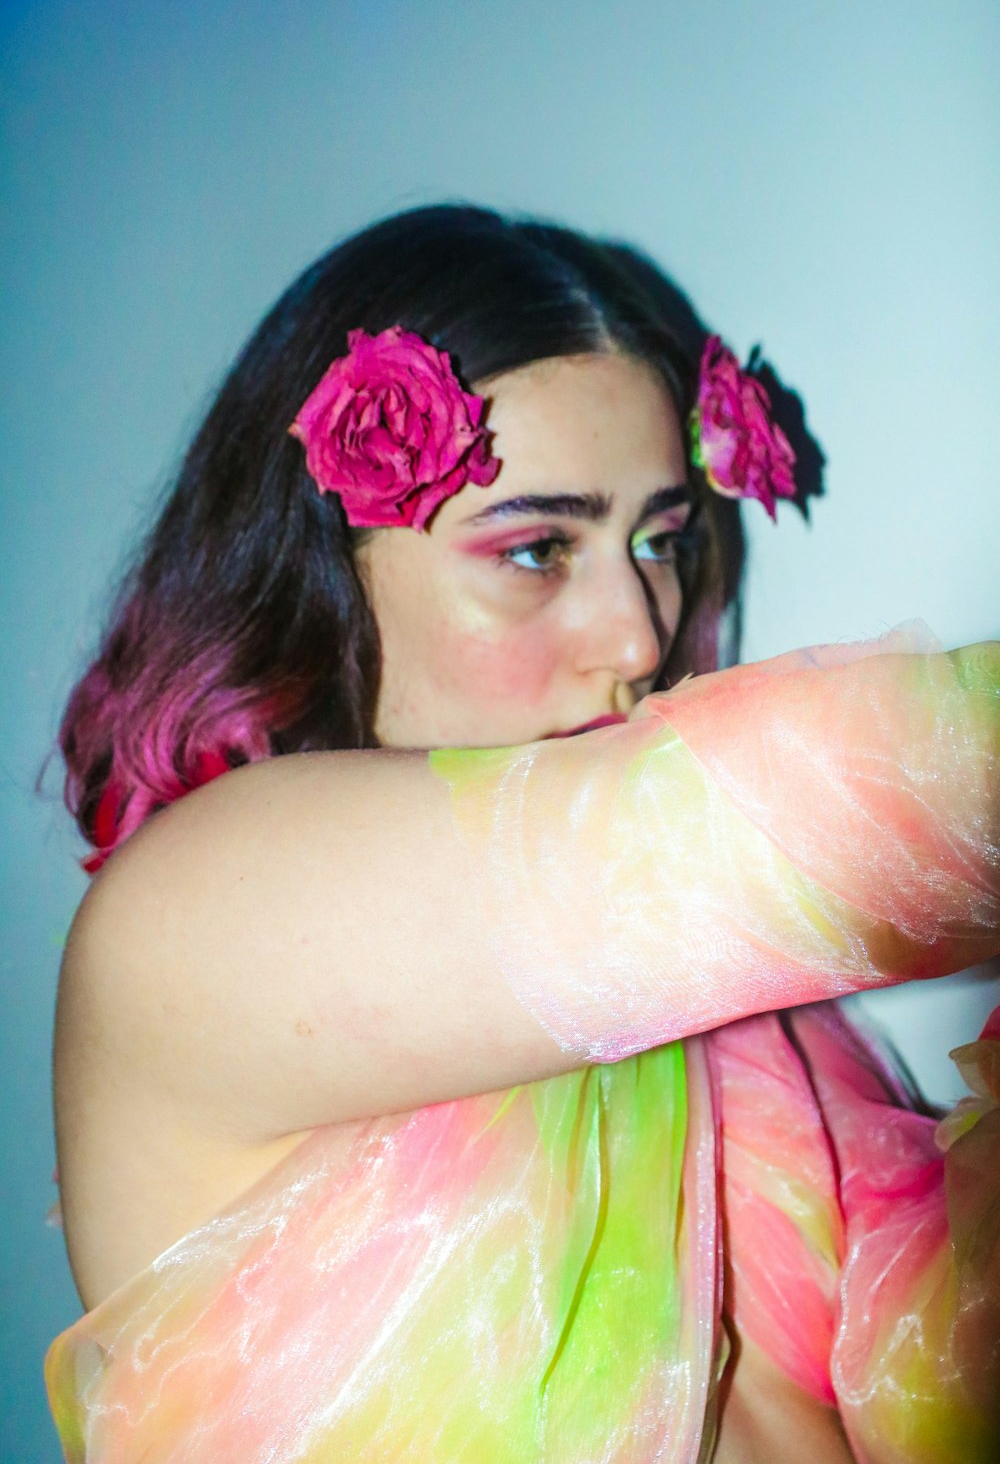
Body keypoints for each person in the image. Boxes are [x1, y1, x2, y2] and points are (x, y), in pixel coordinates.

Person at [46, 205, 999, 1462]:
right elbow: (886, 805)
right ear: (323, 568)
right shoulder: (193, 915)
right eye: (539, 548)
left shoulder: (766, 1031)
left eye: (660, 540)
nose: (641, 635)